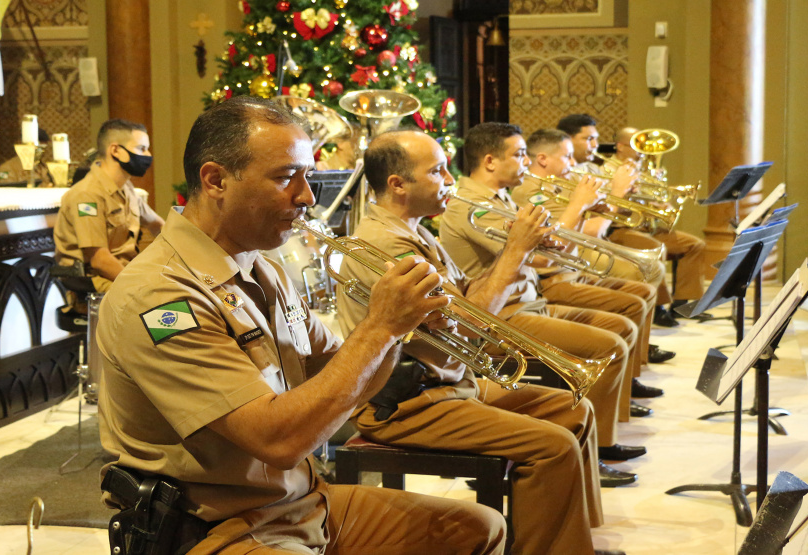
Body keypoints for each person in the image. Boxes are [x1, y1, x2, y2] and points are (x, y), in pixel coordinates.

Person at [96, 97, 506, 555]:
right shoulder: (159, 295)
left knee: (478, 527)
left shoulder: (260, 267)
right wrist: (379, 328)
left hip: (300, 503)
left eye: (307, 176)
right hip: (220, 528)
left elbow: (346, 380)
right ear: (215, 180)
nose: (307, 197)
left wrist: (399, 330)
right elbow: (279, 440)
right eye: (285, 177)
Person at [336, 129, 628, 555]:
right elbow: (471, 325)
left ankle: (570, 543)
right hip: (405, 402)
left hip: (447, 383)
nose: (450, 180)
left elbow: (465, 294)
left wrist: (519, 252)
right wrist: (517, 251)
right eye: (436, 171)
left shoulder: (415, 229)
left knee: (573, 410)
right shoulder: (386, 245)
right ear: (398, 184)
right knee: (553, 445)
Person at [438, 122, 649, 465]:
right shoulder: (472, 205)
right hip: (500, 317)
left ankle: (604, 430)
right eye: (519, 154)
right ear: (490, 161)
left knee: (622, 328)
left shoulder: (499, 195)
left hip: (528, 302)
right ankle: (598, 450)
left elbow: (552, 247)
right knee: (609, 344)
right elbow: (537, 256)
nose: (526, 162)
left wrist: (583, 213)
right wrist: (577, 206)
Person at [514, 128, 667, 407]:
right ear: (544, 159)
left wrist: (612, 201)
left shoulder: (561, 183)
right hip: (556, 275)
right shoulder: (530, 191)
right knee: (635, 285)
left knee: (640, 291)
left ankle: (628, 380)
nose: (574, 164)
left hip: (571, 266)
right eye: (568, 157)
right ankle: (619, 390)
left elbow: (588, 225)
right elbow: (585, 233)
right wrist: (611, 197)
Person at [557, 114, 678, 330]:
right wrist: (619, 192)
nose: (595, 145)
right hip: (584, 244)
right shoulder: (565, 177)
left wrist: (630, 196)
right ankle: (636, 328)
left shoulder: (592, 169)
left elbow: (608, 207)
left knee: (654, 263)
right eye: (588, 139)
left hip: (598, 237)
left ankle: (642, 332)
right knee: (644, 267)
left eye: (596, 139)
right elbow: (592, 226)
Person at [53, 119, 165, 295]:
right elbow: (99, 260)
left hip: (124, 275)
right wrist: (142, 284)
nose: (148, 155)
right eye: (142, 149)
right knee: (161, 303)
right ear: (115, 151)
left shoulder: (126, 188)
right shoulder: (87, 195)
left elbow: (158, 225)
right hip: (97, 281)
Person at [607, 126, 706, 318]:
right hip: (621, 230)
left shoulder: (642, 169)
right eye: (637, 145)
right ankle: (659, 308)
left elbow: (649, 197)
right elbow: (608, 205)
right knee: (656, 248)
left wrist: (660, 204)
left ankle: (682, 305)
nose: (642, 151)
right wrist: (628, 194)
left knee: (695, 245)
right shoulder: (608, 169)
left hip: (647, 227)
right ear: (620, 146)